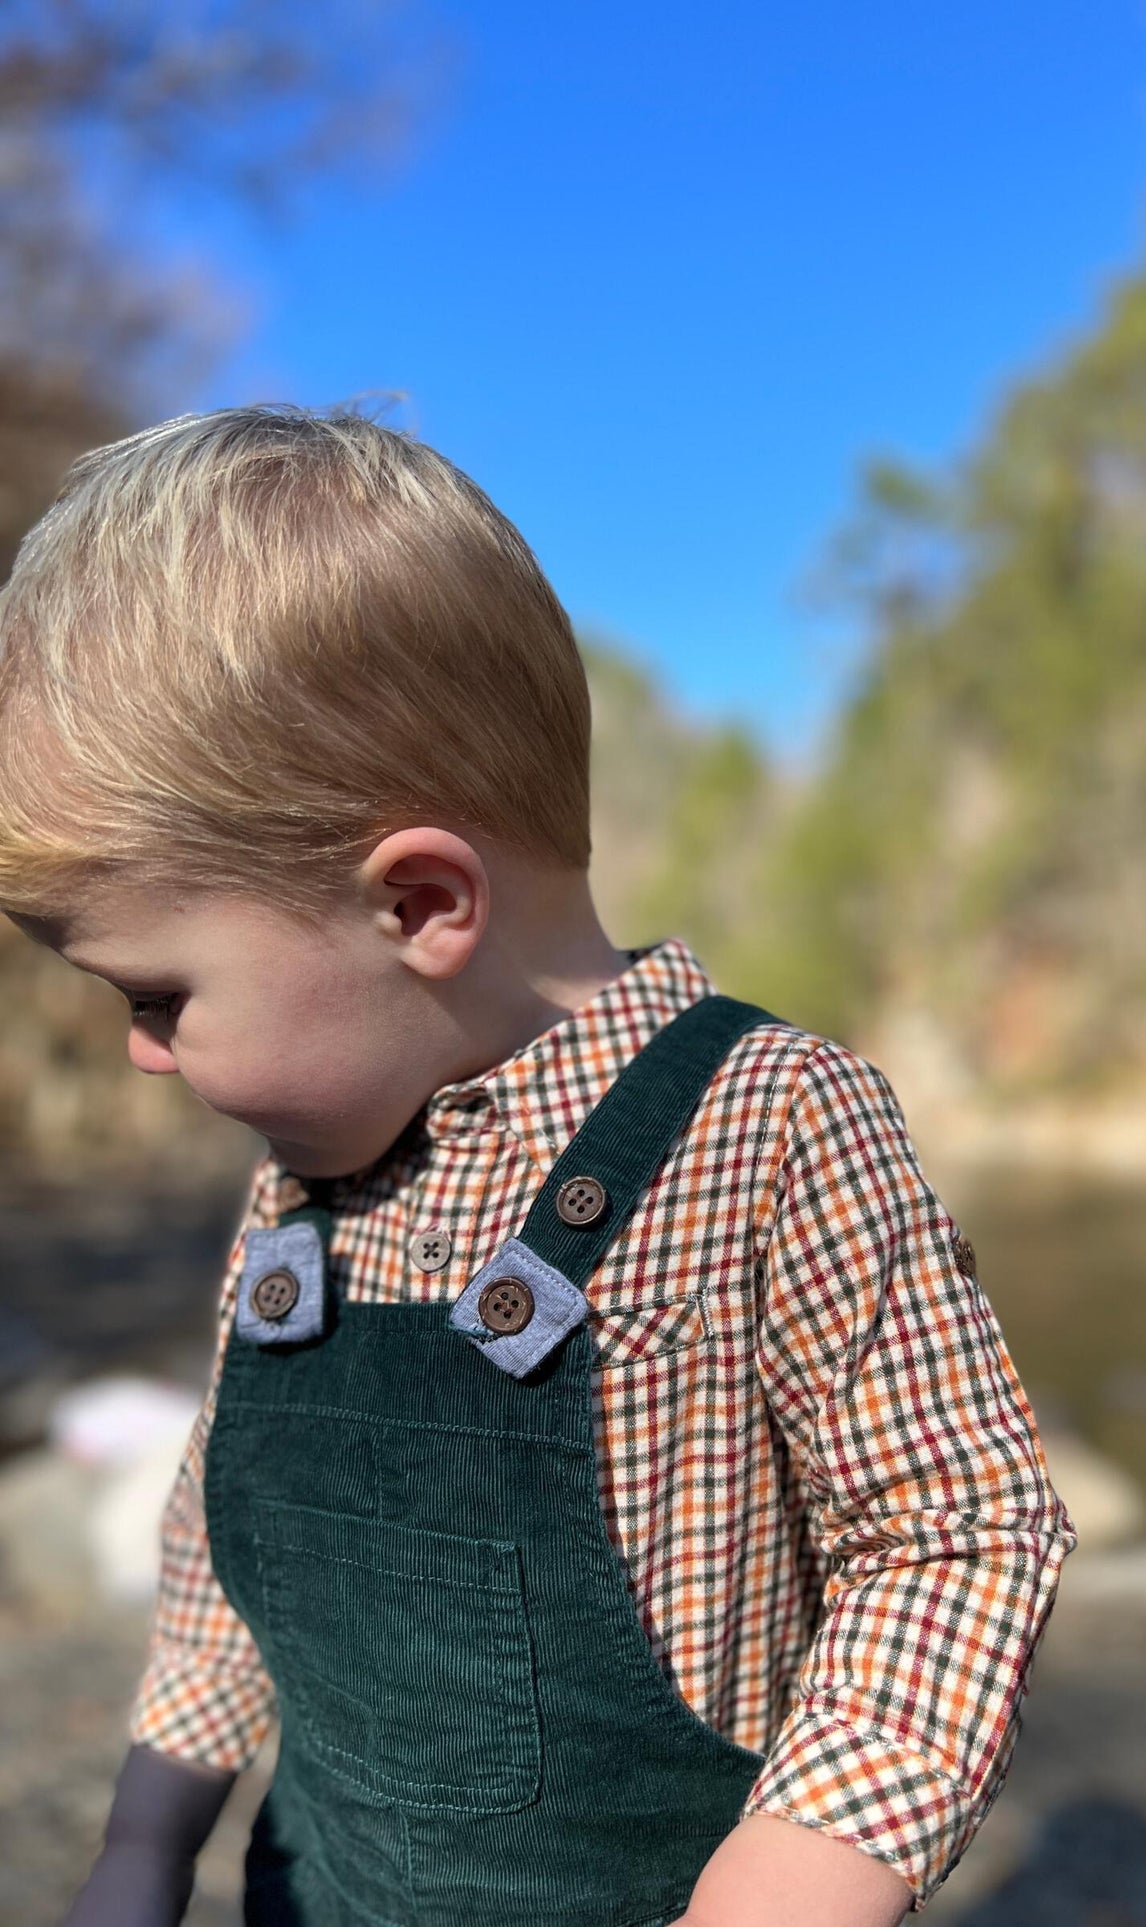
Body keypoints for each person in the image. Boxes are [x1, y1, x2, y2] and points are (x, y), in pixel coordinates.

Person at [0, 405, 1075, 1927]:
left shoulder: (767, 1125)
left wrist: (791, 1883)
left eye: (157, 997)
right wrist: (148, 1837)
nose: (142, 1055)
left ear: (421, 904)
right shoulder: (302, 1194)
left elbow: (955, 1534)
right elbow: (223, 1542)